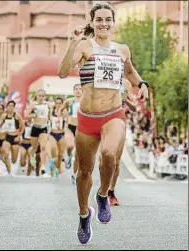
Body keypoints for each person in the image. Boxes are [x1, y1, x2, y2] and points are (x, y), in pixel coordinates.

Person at [58, 2, 149, 244]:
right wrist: (73, 43)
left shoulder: (122, 50)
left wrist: (141, 84)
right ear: (92, 22)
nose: (104, 23)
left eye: (108, 19)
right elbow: (63, 72)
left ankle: (102, 195)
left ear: (113, 22)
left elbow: (130, 73)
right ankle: (84, 215)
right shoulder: (85, 47)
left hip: (113, 114)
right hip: (87, 119)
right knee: (84, 172)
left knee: (109, 155)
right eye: (99, 19)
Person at [108, 78, 136, 206]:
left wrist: (126, 100)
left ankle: (111, 192)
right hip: (102, 118)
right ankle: (102, 191)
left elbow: (134, 107)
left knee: (116, 161)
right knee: (104, 158)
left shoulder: (126, 83)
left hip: (119, 118)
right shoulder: (102, 78)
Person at [62, 84, 82, 183]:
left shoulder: (86, 102)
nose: (78, 91)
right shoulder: (69, 101)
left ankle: (74, 174)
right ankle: (68, 156)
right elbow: (60, 110)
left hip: (81, 128)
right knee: (70, 146)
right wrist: (64, 114)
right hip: (70, 126)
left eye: (80, 89)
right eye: (76, 89)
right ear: (73, 91)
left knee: (78, 153)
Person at [28, 90, 50, 177]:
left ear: (44, 96)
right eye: (39, 95)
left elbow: (50, 116)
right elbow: (29, 117)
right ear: (36, 96)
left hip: (43, 127)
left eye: (42, 96)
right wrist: (32, 115)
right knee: (34, 147)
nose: (41, 97)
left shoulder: (47, 105)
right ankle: (32, 157)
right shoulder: (33, 104)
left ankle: (43, 168)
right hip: (35, 127)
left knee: (43, 147)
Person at [0, 100, 24, 175]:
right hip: (7, 136)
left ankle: (12, 165)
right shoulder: (4, 116)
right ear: (6, 107)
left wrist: (19, 136)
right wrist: (1, 130)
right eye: (9, 105)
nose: (10, 107)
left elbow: (23, 127)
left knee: (14, 160)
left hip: (15, 137)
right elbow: (0, 126)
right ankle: (9, 171)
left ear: (14, 107)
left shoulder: (17, 115)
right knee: (6, 154)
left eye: (12, 106)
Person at [48, 97, 67, 177]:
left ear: (62, 104)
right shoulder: (51, 111)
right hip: (53, 133)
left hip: (61, 134)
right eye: (57, 103)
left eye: (60, 103)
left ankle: (57, 169)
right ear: (54, 104)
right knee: (53, 148)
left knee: (60, 155)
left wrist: (60, 114)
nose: (58, 105)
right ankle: (52, 160)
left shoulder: (64, 111)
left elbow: (66, 121)